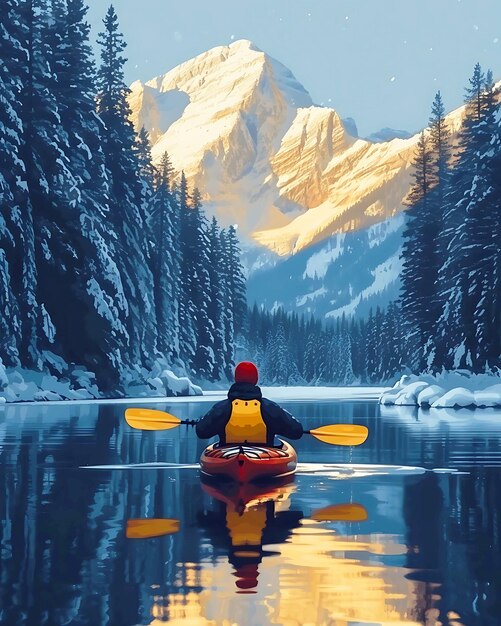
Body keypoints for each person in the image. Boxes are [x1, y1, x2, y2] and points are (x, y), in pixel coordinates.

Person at [196, 361, 303, 446]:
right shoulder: (269, 407)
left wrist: (201, 421)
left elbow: (201, 432)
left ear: (236, 379)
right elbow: (296, 431)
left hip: (227, 455)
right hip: (264, 456)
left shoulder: (222, 408)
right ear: (255, 380)